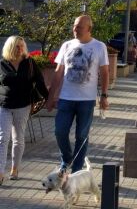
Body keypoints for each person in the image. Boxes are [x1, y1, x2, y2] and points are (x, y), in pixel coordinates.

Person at [46, 15, 109, 173]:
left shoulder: (99, 47)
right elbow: (58, 72)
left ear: (89, 29)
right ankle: (66, 158)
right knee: (60, 131)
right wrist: (51, 96)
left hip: (86, 100)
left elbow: (105, 73)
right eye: (74, 26)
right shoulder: (67, 45)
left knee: (81, 136)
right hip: (66, 98)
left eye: (79, 27)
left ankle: (76, 169)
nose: (75, 29)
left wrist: (104, 96)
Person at [0, 35, 49, 183]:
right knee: (3, 138)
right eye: (17, 46)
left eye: (22, 46)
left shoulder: (29, 63)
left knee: (18, 138)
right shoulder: (2, 63)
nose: (20, 49)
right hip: (5, 105)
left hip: (23, 105)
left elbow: (40, 82)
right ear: (10, 47)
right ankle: (0, 172)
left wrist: (48, 99)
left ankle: (15, 168)